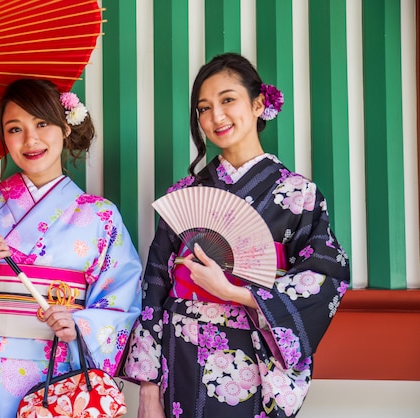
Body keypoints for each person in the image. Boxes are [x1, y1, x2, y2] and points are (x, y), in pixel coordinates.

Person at [123, 52, 351, 418]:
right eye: (203, 108)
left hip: (252, 358)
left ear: (259, 103)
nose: (215, 116)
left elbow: (325, 277)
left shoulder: (298, 195)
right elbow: (154, 287)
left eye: (228, 100)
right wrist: (149, 390)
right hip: (181, 354)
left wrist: (235, 293)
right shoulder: (183, 195)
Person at [0, 78, 142, 417]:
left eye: (42, 123)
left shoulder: (100, 216)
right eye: (15, 129)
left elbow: (122, 299)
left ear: (65, 127)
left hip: (55, 374)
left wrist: (80, 325)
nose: (30, 139)